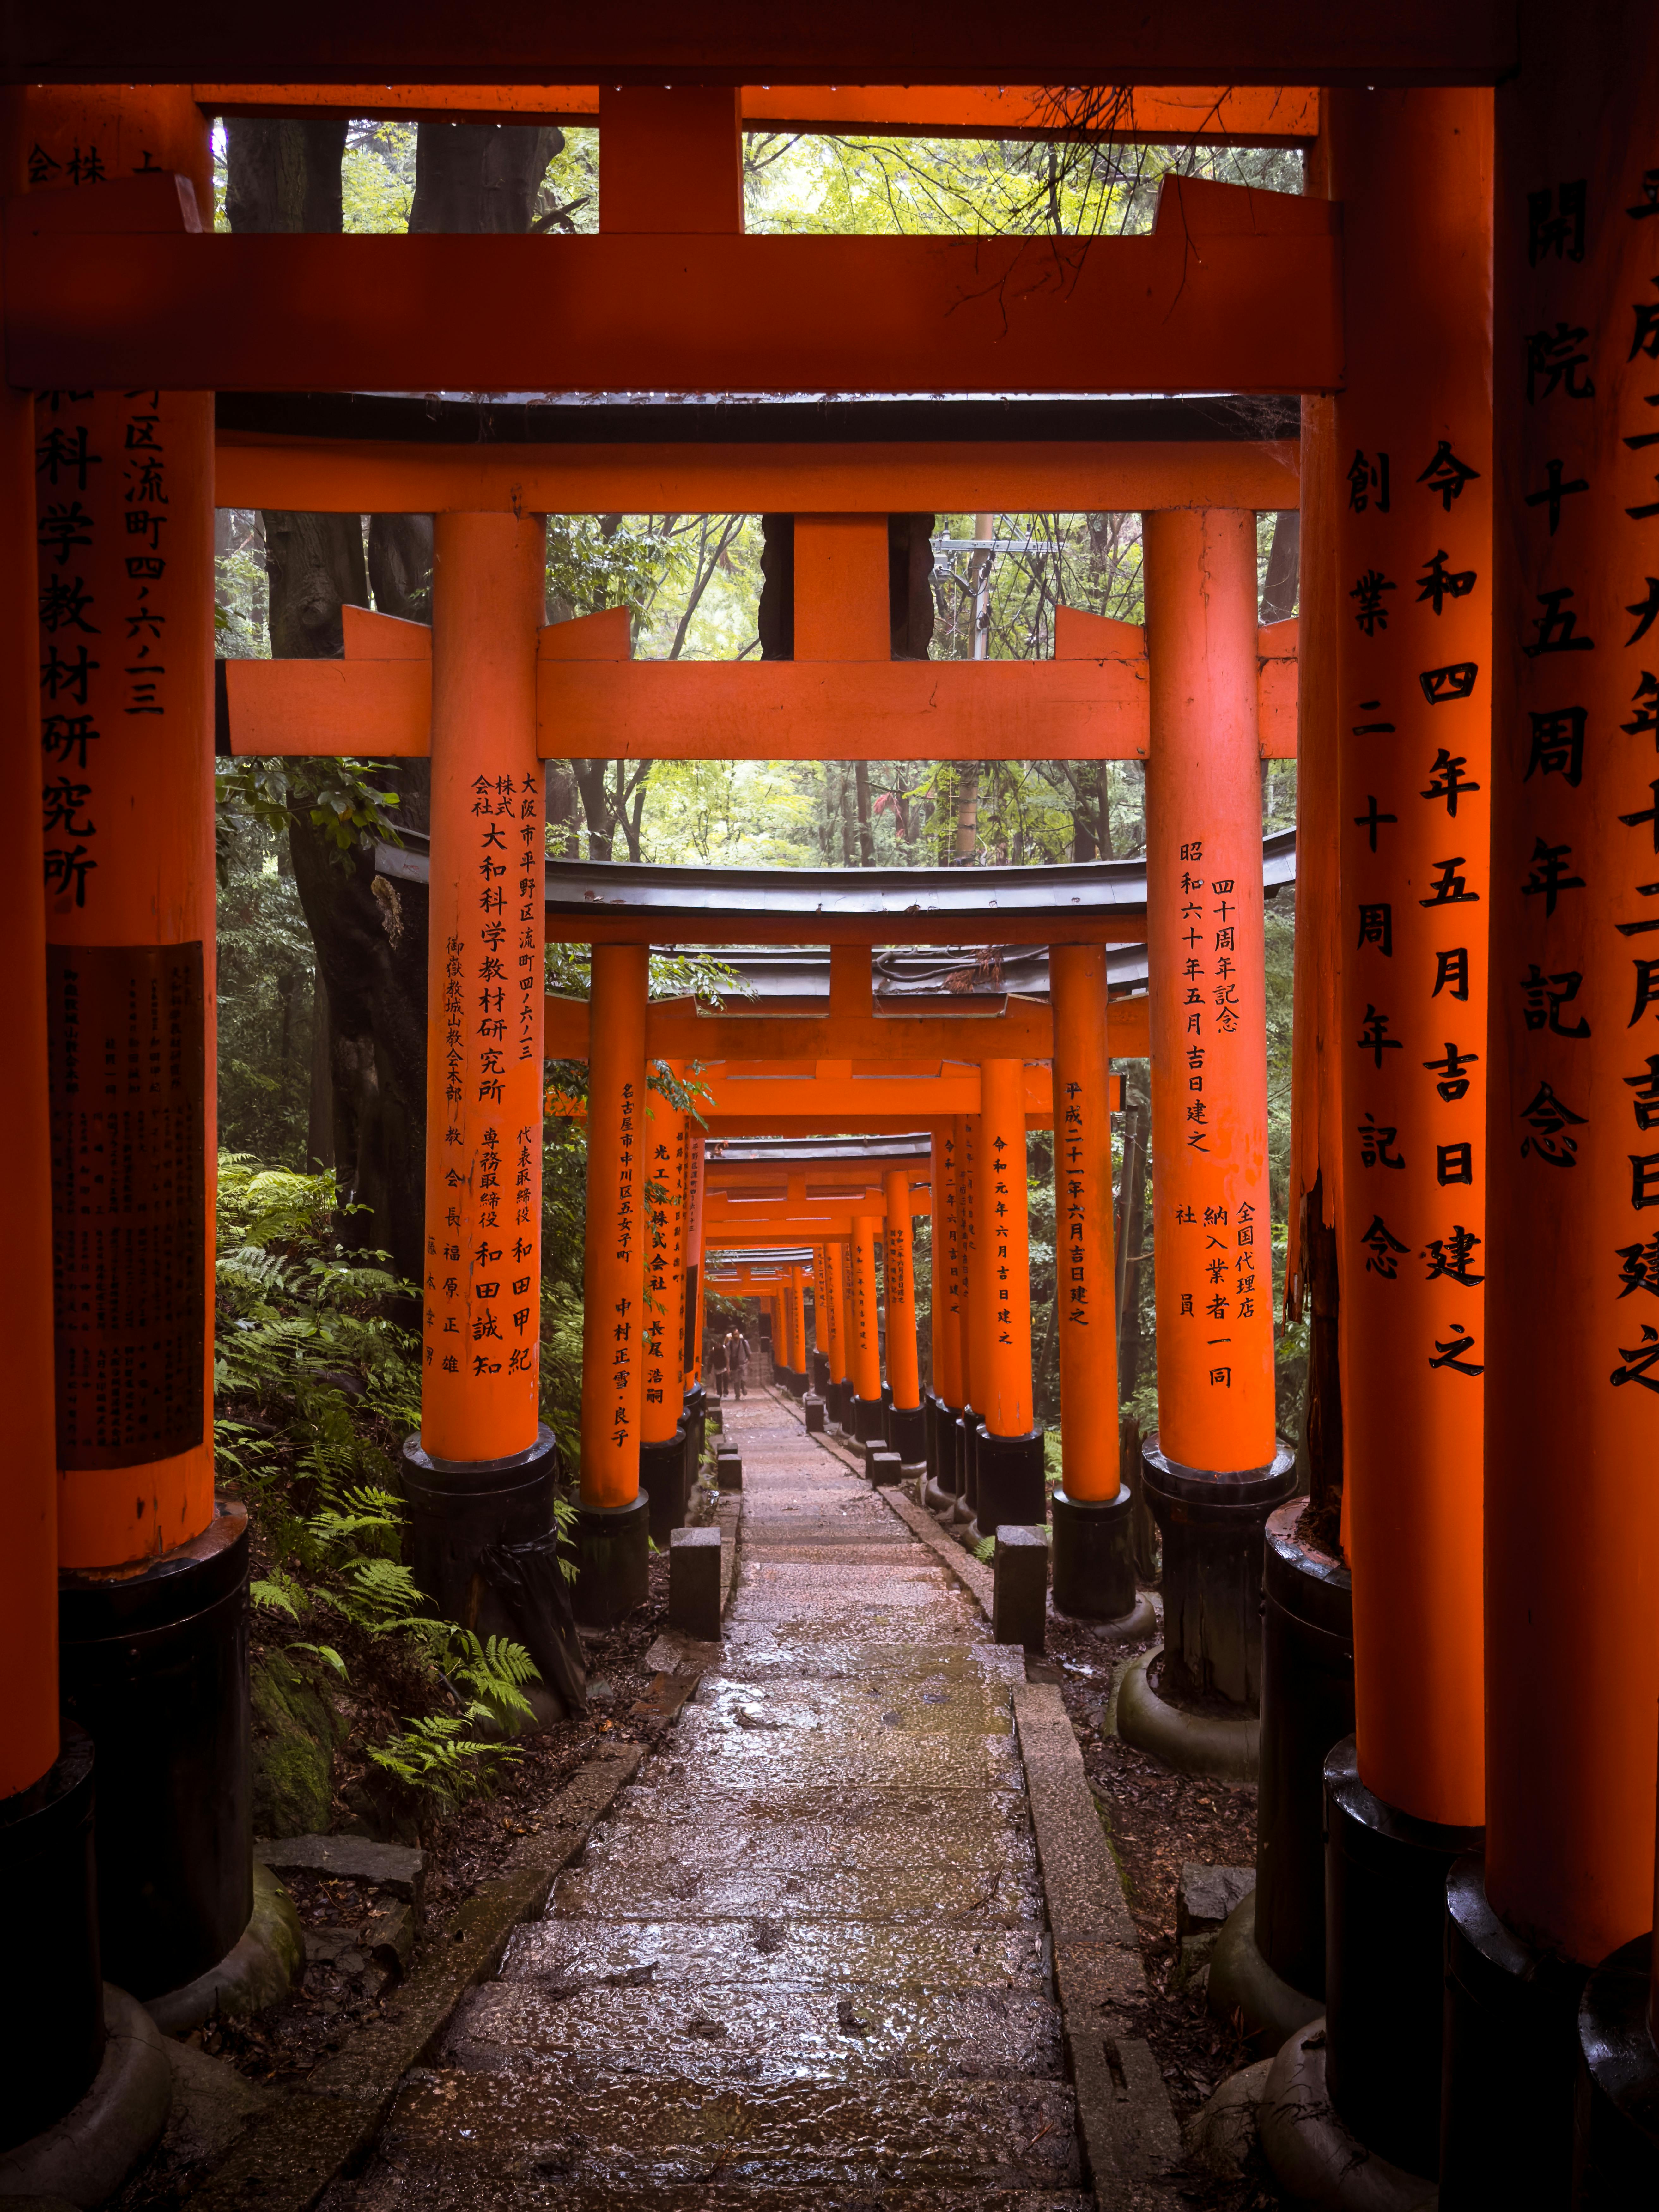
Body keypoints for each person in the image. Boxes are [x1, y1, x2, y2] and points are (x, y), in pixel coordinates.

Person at [729, 1329, 750, 1399]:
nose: (736, 1336)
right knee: (736, 1381)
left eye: (737, 1334)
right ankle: (737, 1395)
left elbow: (749, 1353)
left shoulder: (744, 1343)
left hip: (744, 1364)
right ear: (732, 1336)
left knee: (744, 1379)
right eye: (735, 1334)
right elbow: (727, 1356)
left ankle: (744, 1387)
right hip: (735, 1365)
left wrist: (749, 1361)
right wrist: (728, 1367)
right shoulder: (730, 1345)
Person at [710, 1333, 729, 1399]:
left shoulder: (724, 1349)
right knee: (719, 1382)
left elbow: (727, 1358)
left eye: (719, 1344)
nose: (718, 1345)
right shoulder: (713, 1351)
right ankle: (719, 1394)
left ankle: (726, 1391)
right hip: (717, 1367)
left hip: (724, 1367)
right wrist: (710, 1371)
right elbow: (711, 1361)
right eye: (717, 1344)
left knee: (726, 1379)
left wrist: (728, 1367)